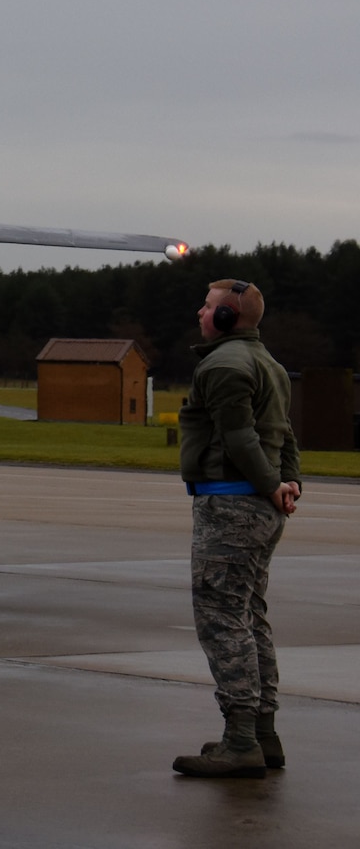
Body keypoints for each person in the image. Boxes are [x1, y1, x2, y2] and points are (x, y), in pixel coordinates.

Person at [172, 279, 301, 779]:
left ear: (225, 318)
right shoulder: (266, 362)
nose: (199, 312)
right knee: (250, 616)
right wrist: (289, 484)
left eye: (207, 307)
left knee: (222, 618)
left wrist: (272, 484)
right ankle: (264, 735)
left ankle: (240, 741)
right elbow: (284, 433)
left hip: (230, 508)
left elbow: (240, 436)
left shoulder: (224, 364)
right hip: (258, 510)